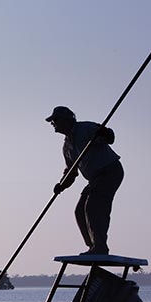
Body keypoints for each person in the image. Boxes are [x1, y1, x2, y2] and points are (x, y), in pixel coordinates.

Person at [46, 106, 124, 256]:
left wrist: (105, 133)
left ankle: (100, 247)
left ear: (67, 119)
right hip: (94, 178)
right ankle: (93, 246)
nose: (52, 123)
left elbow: (110, 137)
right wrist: (61, 186)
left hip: (110, 171)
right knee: (80, 211)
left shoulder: (86, 128)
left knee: (94, 206)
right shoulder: (67, 146)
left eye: (55, 120)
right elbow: (71, 172)